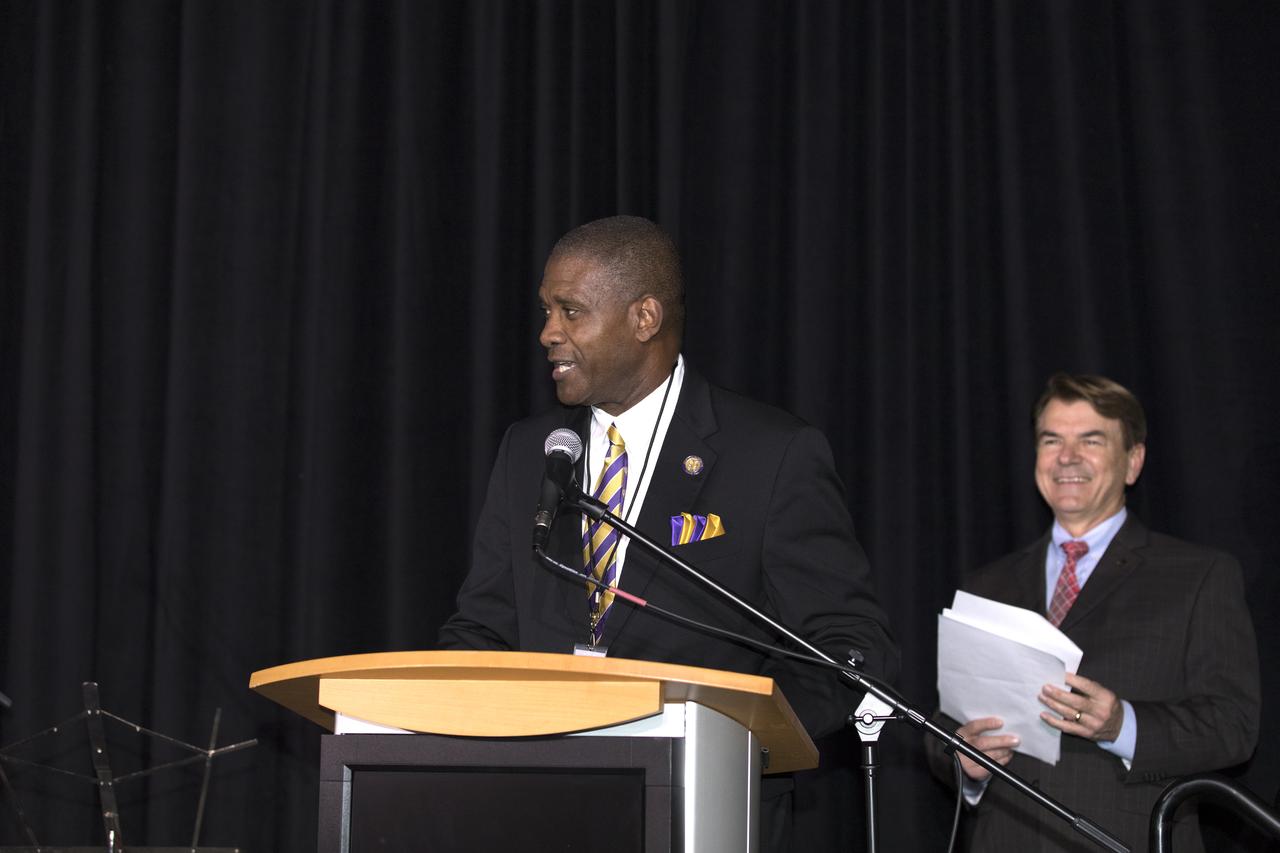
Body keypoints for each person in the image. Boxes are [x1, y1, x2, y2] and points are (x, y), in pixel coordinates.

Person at [439, 214, 899, 849]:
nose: (548, 333)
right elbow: (485, 625)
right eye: (547, 311)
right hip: (538, 804)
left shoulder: (770, 454)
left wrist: (736, 740)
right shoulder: (533, 450)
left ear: (644, 318)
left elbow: (848, 646)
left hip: (703, 807)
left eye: (571, 312)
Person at [927, 373, 1260, 852]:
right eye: (1052, 440)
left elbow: (1234, 727)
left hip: (1129, 839)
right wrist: (965, 760)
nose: (1067, 457)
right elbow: (944, 723)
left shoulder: (1199, 575)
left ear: (1133, 462)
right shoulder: (987, 584)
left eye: (1091, 439)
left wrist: (1122, 724)